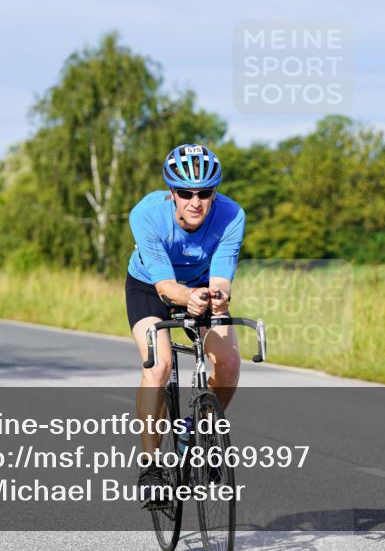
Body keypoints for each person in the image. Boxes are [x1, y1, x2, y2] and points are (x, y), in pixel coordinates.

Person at [125, 143, 245, 506]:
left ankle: (202, 432)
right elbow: (164, 287)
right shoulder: (146, 215)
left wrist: (218, 296)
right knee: (158, 367)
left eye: (205, 192)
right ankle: (151, 467)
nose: (196, 201)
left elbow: (222, 276)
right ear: (172, 193)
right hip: (150, 286)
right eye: (186, 193)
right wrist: (186, 298)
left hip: (204, 285)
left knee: (229, 362)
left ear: (215, 193)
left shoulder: (231, 215)